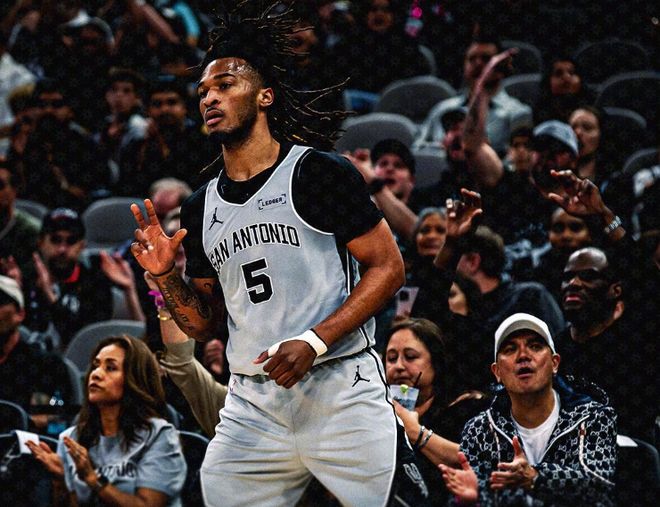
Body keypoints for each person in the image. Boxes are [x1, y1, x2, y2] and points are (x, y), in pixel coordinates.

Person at [130, 4, 428, 506]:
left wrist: (314, 341)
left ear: (264, 95)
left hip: (340, 386)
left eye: (225, 85)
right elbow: (203, 325)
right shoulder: (200, 206)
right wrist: (165, 277)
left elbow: (389, 267)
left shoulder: (318, 173)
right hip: (252, 402)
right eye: (202, 92)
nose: (209, 97)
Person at [439, 313, 617, 506]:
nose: (523, 355)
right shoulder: (479, 430)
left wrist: (535, 477)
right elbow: (468, 492)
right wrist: (473, 499)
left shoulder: (593, 416)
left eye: (535, 346)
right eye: (510, 349)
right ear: (497, 372)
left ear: (555, 363)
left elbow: (599, 483)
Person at [28, 335, 187, 506]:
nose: (96, 374)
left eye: (110, 368)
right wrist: (60, 481)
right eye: (96, 365)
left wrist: (92, 478)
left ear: (134, 379)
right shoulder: (71, 439)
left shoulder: (160, 436)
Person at [385, 318, 488, 506]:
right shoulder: (378, 412)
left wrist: (415, 432)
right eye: (391, 358)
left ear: (436, 362)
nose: (398, 366)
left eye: (410, 357)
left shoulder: (467, 407)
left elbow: (481, 462)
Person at [21, 208, 144, 351]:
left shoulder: (94, 284)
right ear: (41, 242)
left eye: (71, 241)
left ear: (81, 246)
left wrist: (50, 296)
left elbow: (85, 341)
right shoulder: (26, 280)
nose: (62, 249)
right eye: (55, 240)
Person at [417, 36, 532, 156]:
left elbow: (517, 160)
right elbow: (417, 150)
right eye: (471, 59)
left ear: (501, 67)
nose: (478, 63)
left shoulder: (517, 113)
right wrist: (442, 148)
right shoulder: (442, 109)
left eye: (486, 59)